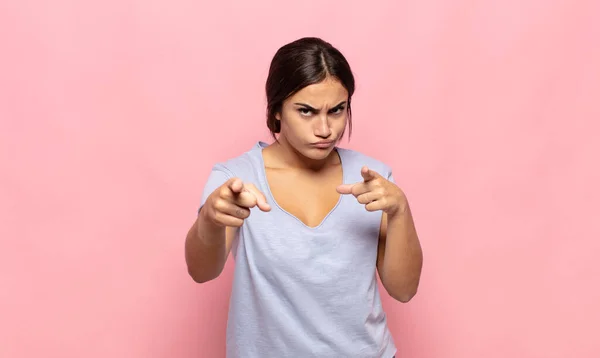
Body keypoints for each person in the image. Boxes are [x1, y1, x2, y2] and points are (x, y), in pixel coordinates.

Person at [185, 37, 423, 358]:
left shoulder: (373, 179)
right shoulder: (236, 179)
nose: (325, 129)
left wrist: (400, 211)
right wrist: (210, 221)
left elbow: (405, 290)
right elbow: (201, 271)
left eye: (337, 110)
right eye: (306, 112)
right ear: (277, 110)